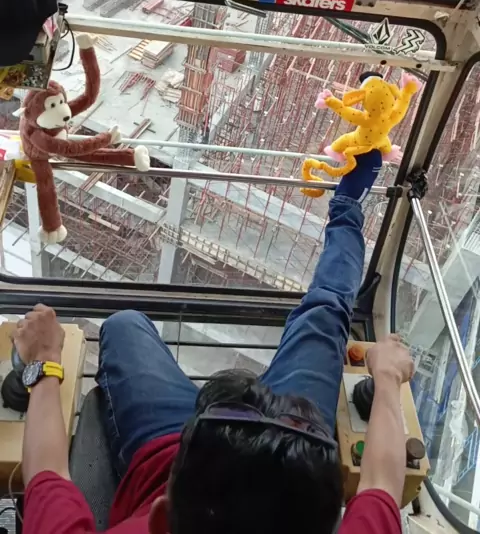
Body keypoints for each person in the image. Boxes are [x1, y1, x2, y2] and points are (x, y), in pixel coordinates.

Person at [17, 151, 414, 534]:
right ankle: (347, 205)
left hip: (173, 447)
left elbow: (46, 474)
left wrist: (44, 357)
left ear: (160, 519)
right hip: (288, 433)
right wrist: (388, 377)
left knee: (125, 325)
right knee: (326, 315)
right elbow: (382, 484)